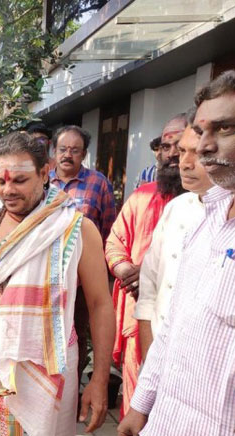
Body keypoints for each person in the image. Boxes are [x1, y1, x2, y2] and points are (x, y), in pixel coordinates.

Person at [0, 132, 114, 436]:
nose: (8, 190)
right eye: (0, 180)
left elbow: (100, 305)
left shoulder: (76, 228)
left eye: (19, 180)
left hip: (52, 368)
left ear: (45, 173)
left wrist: (98, 381)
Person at [117, 70, 235, 436]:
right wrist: (140, 406)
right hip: (167, 419)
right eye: (202, 132)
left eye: (225, 128)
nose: (203, 148)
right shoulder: (207, 216)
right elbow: (174, 327)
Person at [105, 114, 188, 419]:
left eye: (180, 145)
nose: (173, 154)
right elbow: (114, 243)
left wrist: (152, 275)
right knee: (136, 388)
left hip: (183, 320)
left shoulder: (208, 204)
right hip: (137, 314)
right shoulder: (142, 197)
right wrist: (130, 273)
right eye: (166, 146)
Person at [134, 124, 212, 361]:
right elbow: (148, 293)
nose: (184, 163)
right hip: (159, 356)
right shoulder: (175, 209)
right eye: (182, 151)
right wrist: (148, 364)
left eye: (197, 154)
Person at [49, 125, 117, 385]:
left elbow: (109, 229)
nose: (68, 155)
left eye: (75, 150)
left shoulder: (98, 183)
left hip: (81, 278)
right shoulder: (43, 181)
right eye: (63, 149)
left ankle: (72, 392)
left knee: (76, 334)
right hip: (47, 276)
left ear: (84, 154)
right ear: (54, 151)